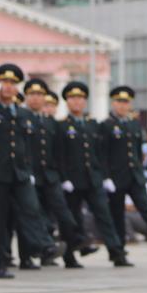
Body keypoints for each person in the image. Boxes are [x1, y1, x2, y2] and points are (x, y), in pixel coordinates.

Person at [0, 64, 64, 279]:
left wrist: (28, 167)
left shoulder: (23, 112)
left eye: (12, 83)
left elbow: (27, 143)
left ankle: (44, 245)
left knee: (32, 209)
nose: (8, 87)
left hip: (20, 171)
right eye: (4, 83)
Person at [57, 82, 131, 268]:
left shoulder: (93, 125)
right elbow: (60, 155)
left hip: (93, 178)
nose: (77, 102)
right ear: (67, 102)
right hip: (73, 180)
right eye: (73, 98)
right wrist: (64, 177)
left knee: (104, 216)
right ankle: (70, 255)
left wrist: (104, 175)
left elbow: (101, 152)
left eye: (81, 98)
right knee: (73, 218)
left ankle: (116, 252)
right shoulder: (62, 126)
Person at [22, 78, 93, 268]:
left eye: (40, 95)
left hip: (50, 175)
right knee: (35, 212)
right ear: (26, 97)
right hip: (30, 175)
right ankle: (35, 253)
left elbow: (58, 152)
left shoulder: (50, 122)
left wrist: (62, 176)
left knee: (64, 212)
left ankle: (77, 240)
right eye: (32, 94)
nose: (37, 98)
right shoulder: (21, 117)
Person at [101, 86, 147, 252]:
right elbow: (102, 153)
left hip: (134, 176)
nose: (122, 105)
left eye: (125, 102)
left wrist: (140, 169)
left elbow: (137, 150)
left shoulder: (133, 124)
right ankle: (118, 252)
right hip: (116, 178)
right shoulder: (106, 125)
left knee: (145, 207)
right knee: (117, 214)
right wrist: (106, 177)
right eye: (119, 101)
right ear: (113, 103)